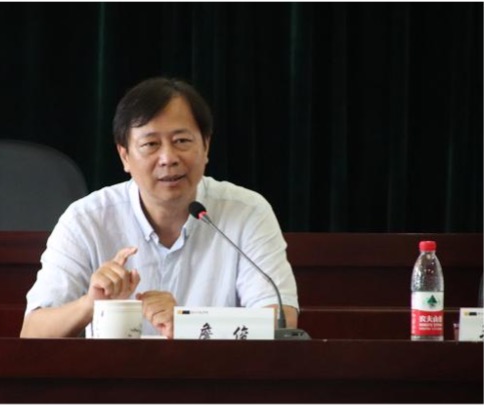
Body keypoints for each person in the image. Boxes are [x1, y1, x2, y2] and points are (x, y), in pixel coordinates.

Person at [20, 77, 299, 339]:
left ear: (206, 146)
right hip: (113, 376)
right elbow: (32, 331)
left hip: (216, 375)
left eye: (182, 141)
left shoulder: (247, 211)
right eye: (151, 144)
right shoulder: (86, 219)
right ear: (125, 156)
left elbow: (281, 322)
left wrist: (187, 324)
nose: (168, 158)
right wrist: (89, 304)